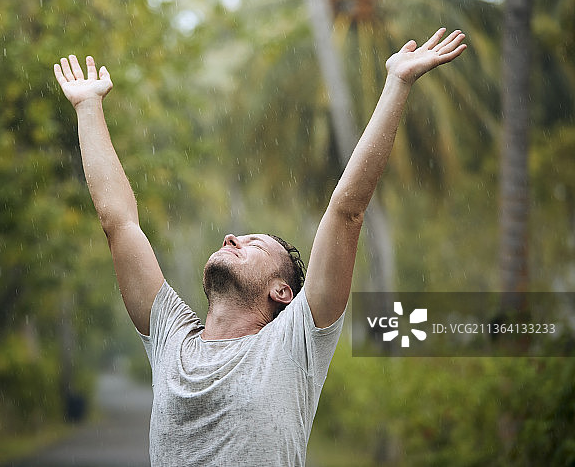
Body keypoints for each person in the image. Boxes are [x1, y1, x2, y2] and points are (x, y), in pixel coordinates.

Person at [53, 28, 467, 466]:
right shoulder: (170, 337)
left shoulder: (294, 343)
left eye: (254, 245)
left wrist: (397, 83)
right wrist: (88, 107)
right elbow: (119, 224)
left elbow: (346, 211)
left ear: (281, 291)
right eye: (237, 238)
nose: (232, 238)